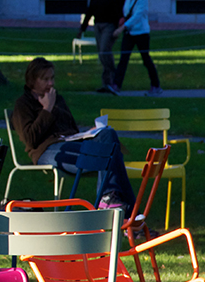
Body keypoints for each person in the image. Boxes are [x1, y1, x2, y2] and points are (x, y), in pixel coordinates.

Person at [12, 57, 136, 212]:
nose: (50, 83)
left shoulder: (58, 99)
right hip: (46, 149)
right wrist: (47, 109)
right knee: (113, 155)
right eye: (45, 79)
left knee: (107, 134)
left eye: (52, 78)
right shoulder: (23, 104)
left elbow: (71, 130)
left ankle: (110, 200)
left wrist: (87, 134)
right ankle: (132, 217)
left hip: (71, 143)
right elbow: (30, 140)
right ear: (32, 80)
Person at [114, 0, 162, 96]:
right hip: (129, 33)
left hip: (141, 34)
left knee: (146, 59)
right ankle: (116, 85)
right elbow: (126, 12)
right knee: (123, 59)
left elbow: (137, 16)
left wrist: (122, 28)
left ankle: (155, 85)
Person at [79, 0, 125, 95]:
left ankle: (114, 77)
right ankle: (106, 82)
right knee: (101, 54)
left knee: (105, 49)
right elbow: (90, 11)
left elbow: (122, 10)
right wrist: (82, 28)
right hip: (98, 25)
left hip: (110, 26)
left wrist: (121, 25)